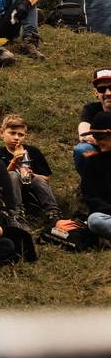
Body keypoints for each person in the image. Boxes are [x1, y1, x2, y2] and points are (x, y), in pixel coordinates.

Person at [0, 113, 59, 227]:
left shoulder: (33, 151)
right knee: (12, 175)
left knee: (39, 180)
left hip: (31, 189)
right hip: (10, 192)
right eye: (12, 133)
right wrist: (14, 161)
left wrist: (33, 175)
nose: (16, 137)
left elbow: (46, 178)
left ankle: (53, 214)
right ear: (2, 133)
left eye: (21, 135)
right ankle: (16, 214)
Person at [75, 111, 111, 245]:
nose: (97, 141)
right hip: (106, 215)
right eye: (94, 136)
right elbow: (90, 196)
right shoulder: (92, 161)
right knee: (95, 221)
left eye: (100, 136)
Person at [81, 67, 111, 147]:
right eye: (102, 89)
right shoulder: (91, 108)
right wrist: (87, 137)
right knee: (82, 148)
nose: (108, 93)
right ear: (96, 93)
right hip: (100, 146)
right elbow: (83, 128)